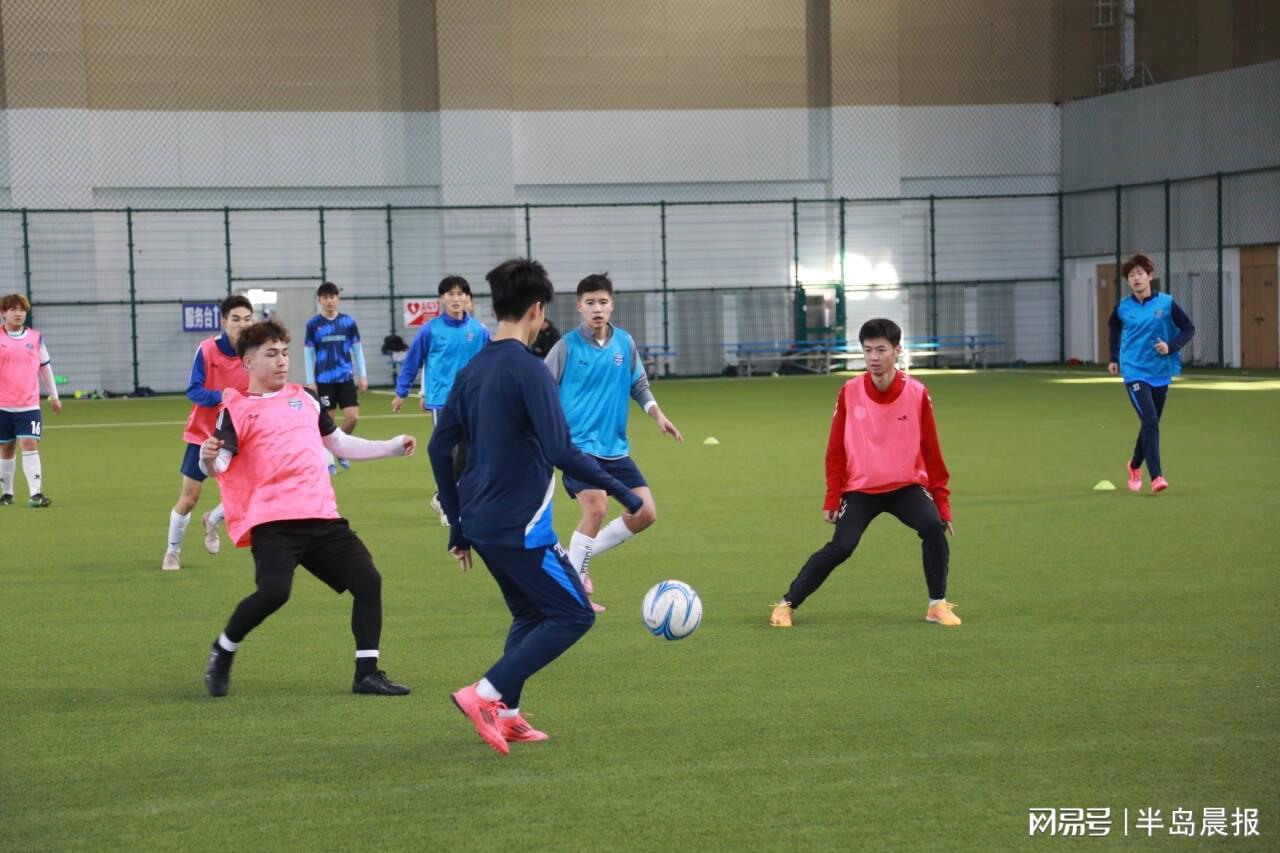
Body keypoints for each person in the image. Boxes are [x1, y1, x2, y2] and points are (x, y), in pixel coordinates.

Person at [427, 258, 643, 755]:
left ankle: (508, 716)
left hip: (480, 523)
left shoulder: (473, 369)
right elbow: (562, 451)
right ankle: (483, 695)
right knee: (574, 615)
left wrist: (457, 524)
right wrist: (626, 492)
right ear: (537, 310)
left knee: (529, 613)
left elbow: (440, 448)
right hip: (520, 528)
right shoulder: (530, 370)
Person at [199, 319, 415, 698]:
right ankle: (224, 649)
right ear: (248, 362)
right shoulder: (236, 408)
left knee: (368, 581)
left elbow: (339, 443)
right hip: (274, 523)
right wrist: (207, 458)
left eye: (284, 352)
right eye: (271, 354)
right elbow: (220, 464)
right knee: (274, 593)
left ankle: (366, 674)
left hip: (322, 518)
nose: (282, 361)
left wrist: (391, 446)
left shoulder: (306, 397)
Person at [770, 318, 959, 629]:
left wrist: (943, 504)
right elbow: (835, 450)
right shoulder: (849, 391)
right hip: (860, 490)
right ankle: (786, 605)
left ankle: (937, 605)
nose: (873, 357)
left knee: (932, 526)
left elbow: (932, 452)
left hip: (905, 487)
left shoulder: (917, 393)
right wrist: (832, 497)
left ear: (897, 350)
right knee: (842, 547)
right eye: (867, 350)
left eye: (881, 350)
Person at [545, 274, 683, 611]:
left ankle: (575, 557)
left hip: (615, 450)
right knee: (596, 508)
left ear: (612, 305)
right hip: (576, 449)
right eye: (590, 302)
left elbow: (639, 385)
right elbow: (540, 387)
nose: (597, 308)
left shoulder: (625, 343)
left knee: (645, 513)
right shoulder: (565, 347)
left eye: (603, 302)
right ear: (579, 307)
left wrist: (658, 414)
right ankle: (572, 592)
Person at [163, 295, 255, 570]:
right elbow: (193, 390)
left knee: (251, 490)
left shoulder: (255, 352)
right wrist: (221, 396)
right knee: (189, 498)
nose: (242, 324)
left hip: (238, 433)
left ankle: (213, 519)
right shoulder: (206, 350)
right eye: (236, 319)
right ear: (224, 321)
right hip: (203, 434)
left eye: (247, 319)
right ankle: (172, 551)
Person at [392, 276, 489, 526]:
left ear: (467, 298)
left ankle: (441, 496)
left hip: (474, 401)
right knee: (448, 452)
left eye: (460, 294)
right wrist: (402, 392)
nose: (456, 299)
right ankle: (448, 505)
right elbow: (413, 361)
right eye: (450, 294)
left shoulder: (479, 330)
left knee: (468, 455)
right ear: (442, 298)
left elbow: (492, 362)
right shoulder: (430, 330)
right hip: (442, 400)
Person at [1107, 253, 1195, 494]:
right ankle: (1157, 477)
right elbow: (1114, 328)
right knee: (1150, 420)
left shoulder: (1166, 303)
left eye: (1139, 273)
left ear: (1150, 276)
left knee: (1150, 422)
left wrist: (1171, 346)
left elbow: (1188, 328)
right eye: (1131, 275)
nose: (1135, 278)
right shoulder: (1123, 307)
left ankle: (1134, 465)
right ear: (1127, 281)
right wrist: (1114, 357)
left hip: (1160, 370)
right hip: (1134, 370)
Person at [0, 293, 62, 508]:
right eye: (13, 309)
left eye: (22, 310)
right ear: (3, 313)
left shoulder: (35, 338)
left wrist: (54, 396)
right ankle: (7, 494)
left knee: (29, 443)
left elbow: (45, 368)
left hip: (28, 405)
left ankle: (35, 494)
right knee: (6, 448)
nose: (18, 314)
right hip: (2, 406)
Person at [304, 281, 368, 472]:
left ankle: (340, 450)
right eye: (325, 298)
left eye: (332, 297)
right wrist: (311, 380)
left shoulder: (348, 322)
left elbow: (357, 350)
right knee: (328, 422)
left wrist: (362, 375)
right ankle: (329, 461)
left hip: (346, 377)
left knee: (352, 417)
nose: (329, 301)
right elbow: (308, 353)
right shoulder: (313, 325)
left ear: (338, 299)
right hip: (324, 379)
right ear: (319, 300)